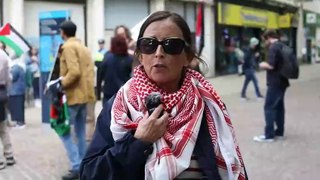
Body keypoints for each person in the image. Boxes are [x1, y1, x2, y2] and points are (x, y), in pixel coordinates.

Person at [80, 11, 248, 179]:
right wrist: (139, 142)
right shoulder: (119, 106)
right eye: (149, 44)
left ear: (187, 57)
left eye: (171, 45)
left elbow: (231, 161)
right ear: (140, 54)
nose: (159, 52)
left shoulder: (209, 105)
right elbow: (90, 173)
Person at [49, 20, 95, 180]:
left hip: (73, 96)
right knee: (81, 132)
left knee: (62, 129)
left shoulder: (68, 47)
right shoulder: (83, 47)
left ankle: (76, 165)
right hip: (85, 95)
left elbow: (74, 72)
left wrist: (59, 83)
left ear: (63, 32)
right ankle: (82, 164)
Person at [253, 30, 289, 142]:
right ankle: (280, 132)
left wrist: (262, 64)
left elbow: (271, 65)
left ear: (268, 37)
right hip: (283, 81)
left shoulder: (273, 47)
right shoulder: (282, 46)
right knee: (279, 108)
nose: (264, 43)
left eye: (265, 40)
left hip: (275, 82)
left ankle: (269, 135)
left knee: (269, 107)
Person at [100, 36, 133, 105]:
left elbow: (99, 75)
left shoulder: (107, 57)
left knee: (107, 114)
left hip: (108, 94)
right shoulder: (129, 59)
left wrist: (98, 93)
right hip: (123, 93)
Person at [0, 45, 16, 170]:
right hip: (2, 92)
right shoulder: (3, 55)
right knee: (3, 125)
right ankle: (9, 156)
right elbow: (8, 77)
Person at [8, 55, 26, 128]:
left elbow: (12, 78)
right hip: (19, 91)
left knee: (17, 107)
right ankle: (19, 122)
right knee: (19, 107)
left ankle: (20, 123)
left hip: (16, 91)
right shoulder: (21, 67)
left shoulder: (15, 68)